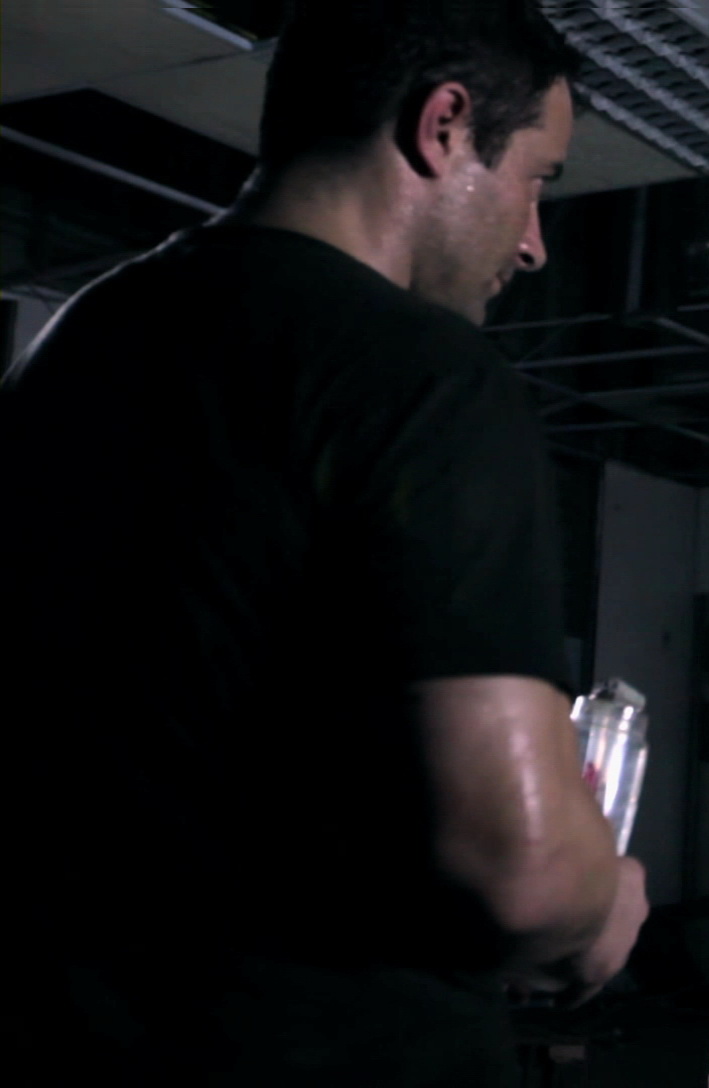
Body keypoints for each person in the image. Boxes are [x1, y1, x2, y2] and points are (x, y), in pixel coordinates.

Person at [3, 2, 646, 1083]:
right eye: (537, 180)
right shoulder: (424, 374)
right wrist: (602, 899)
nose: (536, 243)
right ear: (444, 125)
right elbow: (523, 873)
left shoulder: (75, 345)